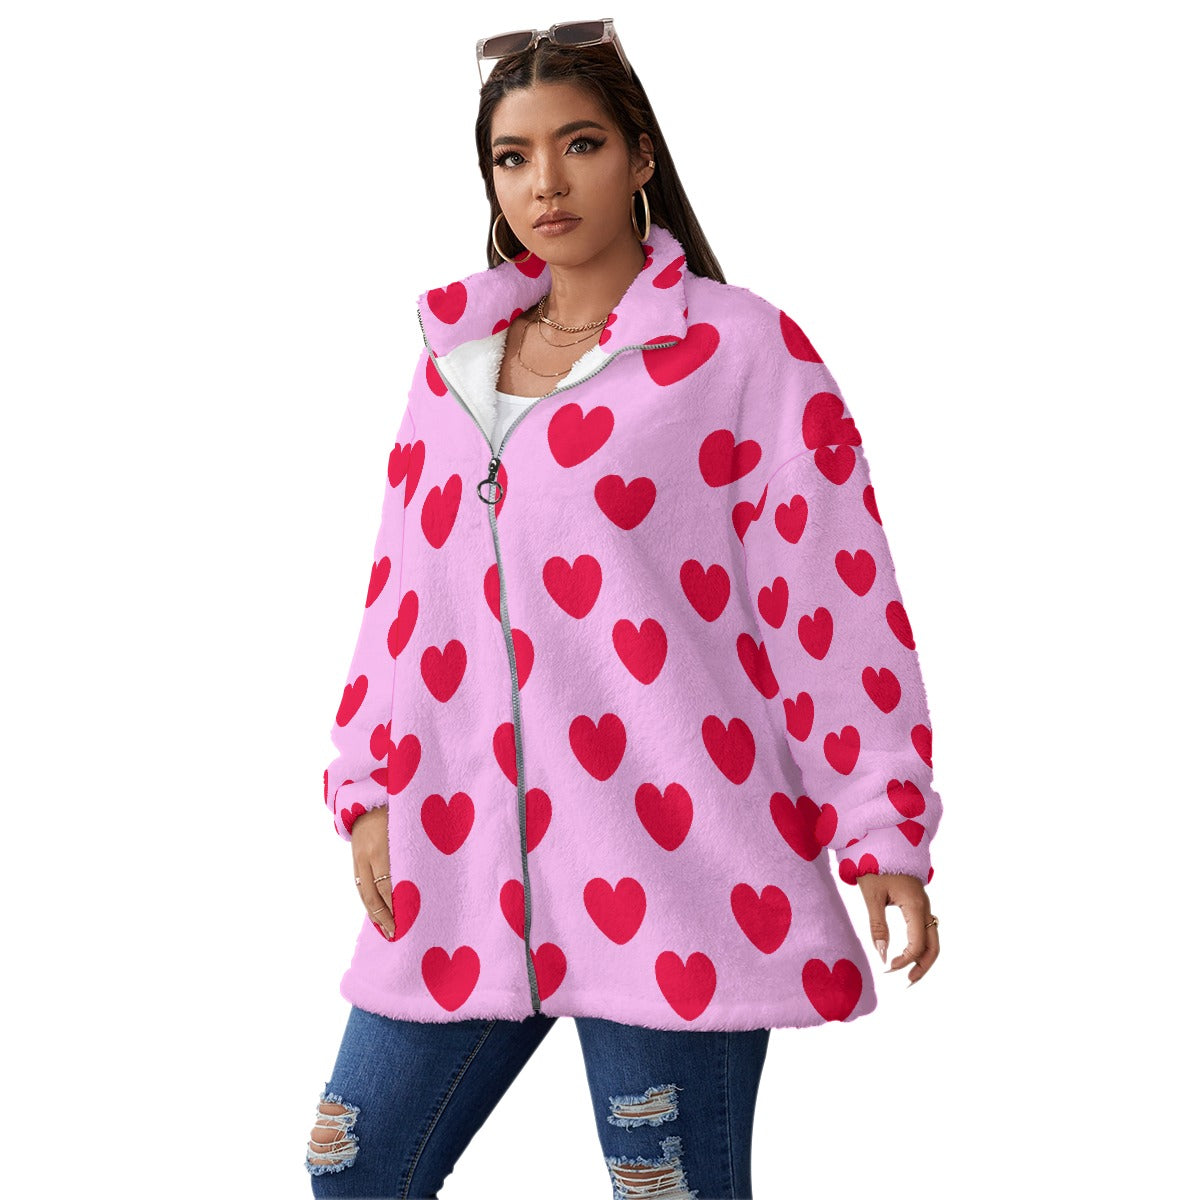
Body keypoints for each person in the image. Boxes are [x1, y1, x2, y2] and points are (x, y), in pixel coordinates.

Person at [307, 19, 944, 1198]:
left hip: (673, 863)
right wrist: (371, 785)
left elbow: (831, 598)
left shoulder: (739, 351)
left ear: (641, 155)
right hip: (464, 857)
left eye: (580, 144)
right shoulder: (452, 366)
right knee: (354, 1167)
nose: (544, 184)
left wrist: (879, 825)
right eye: (512, 157)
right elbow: (400, 592)